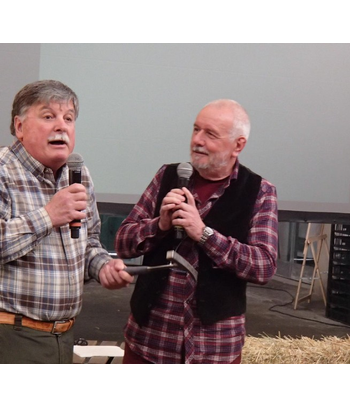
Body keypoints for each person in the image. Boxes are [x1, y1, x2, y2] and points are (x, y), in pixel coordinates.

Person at [115, 98, 278, 364]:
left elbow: (264, 266)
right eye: (196, 129)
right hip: (150, 342)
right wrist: (160, 225)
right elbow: (123, 242)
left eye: (210, 134)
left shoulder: (260, 191)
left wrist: (204, 234)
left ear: (238, 145)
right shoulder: (167, 176)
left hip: (214, 348)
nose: (197, 141)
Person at [0, 79, 134, 364]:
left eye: (69, 118)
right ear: (20, 127)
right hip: (10, 336)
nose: (61, 126)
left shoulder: (79, 175)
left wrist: (104, 267)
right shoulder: (3, 171)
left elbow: (89, 243)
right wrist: (48, 216)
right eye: (49, 116)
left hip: (65, 335)